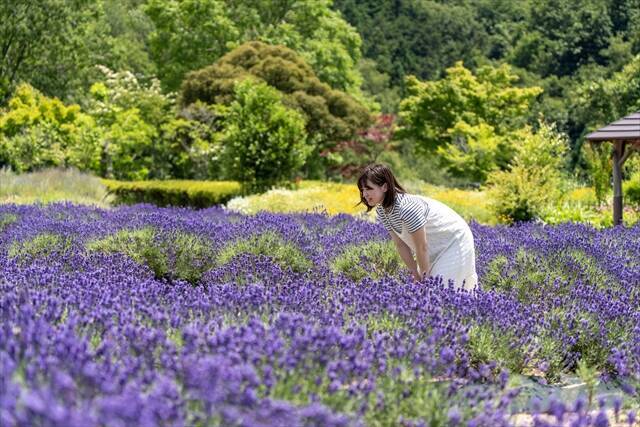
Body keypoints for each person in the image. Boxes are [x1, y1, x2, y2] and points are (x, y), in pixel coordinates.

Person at [357, 164, 478, 291]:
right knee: (428, 292)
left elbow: (422, 246)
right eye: (362, 190)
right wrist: (414, 273)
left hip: (454, 241)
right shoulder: (382, 211)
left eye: (369, 189)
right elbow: (400, 244)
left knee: (441, 291)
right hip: (432, 247)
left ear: (385, 187)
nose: (364, 194)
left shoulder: (406, 207)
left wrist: (424, 279)